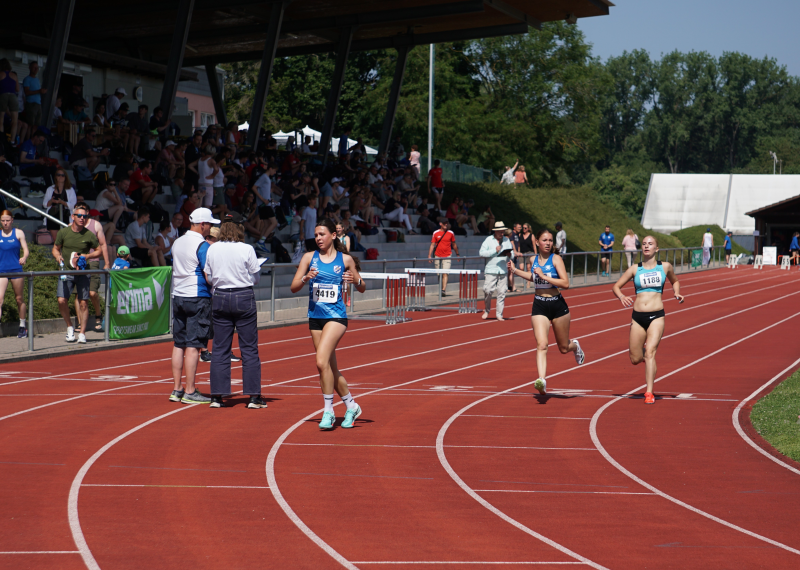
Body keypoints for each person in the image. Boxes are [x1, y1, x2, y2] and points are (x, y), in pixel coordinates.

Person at [290, 218, 366, 429]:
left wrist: (355, 280)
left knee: (321, 362)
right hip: (315, 317)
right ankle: (351, 406)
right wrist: (305, 278)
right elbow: (293, 287)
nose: (318, 238)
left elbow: (362, 287)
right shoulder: (309, 257)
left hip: (336, 317)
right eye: (316, 235)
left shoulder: (345, 259)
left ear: (333, 235)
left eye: (322, 234)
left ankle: (328, 411)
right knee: (329, 367)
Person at [508, 228, 585, 395]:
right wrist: (515, 271)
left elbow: (565, 283)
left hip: (557, 305)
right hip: (540, 305)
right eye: (545, 240)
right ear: (537, 242)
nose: (548, 243)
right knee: (542, 344)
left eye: (550, 240)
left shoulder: (556, 259)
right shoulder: (533, 259)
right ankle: (541, 380)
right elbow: (533, 277)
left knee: (563, 348)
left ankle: (575, 346)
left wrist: (544, 276)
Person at [611, 236, 684, 404]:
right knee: (635, 358)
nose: (646, 246)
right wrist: (621, 296)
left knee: (650, 351)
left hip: (656, 315)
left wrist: (676, 292)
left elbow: (675, 280)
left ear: (656, 249)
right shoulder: (634, 269)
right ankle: (650, 360)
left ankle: (649, 392)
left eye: (650, 244)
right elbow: (616, 286)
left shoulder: (664, 267)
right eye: (644, 244)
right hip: (638, 317)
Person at [204, 221, 265, 409]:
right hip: (243, 295)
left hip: (221, 296)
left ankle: (216, 396)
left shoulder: (213, 249)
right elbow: (256, 278)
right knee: (249, 348)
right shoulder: (246, 248)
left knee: (220, 348)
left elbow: (208, 277)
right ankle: (254, 397)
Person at [169, 208, 218, 405]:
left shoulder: (177, 241)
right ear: (203, 224)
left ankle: (177, 389)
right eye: (210, 224)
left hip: (178, 295)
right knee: (193, 345)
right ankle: (190, 390)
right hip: (197, 296)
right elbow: (209, 275)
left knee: (178, 344)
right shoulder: (202, 245)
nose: (211, 228)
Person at [53, 204, 102, 344]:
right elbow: (55, 249)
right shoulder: (64, 232)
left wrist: (87, 256)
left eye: (85, 216)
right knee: (61, 300)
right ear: (72, 216)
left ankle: (82, 333)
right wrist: (58, 256)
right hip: (66, 272)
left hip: (83, 272)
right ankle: (69, 327)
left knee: (83, 303)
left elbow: (99, 250)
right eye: (79, 216)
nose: (82, 218)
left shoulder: (89, 234)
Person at [74, 206, 111, 333]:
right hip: (77, 263)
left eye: (83, 214)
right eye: (78, 214)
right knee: (78, 294)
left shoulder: (96, 225)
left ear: (87, 213)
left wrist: (107, 263)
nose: (81, 217)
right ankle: (80, 323)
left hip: (93, 261)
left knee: (92, 293)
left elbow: (103, 244)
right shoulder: (71, 227)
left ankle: (98, 315)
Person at [0, 210, 29, 338]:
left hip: (16, 269)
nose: (5, 223)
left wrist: (24, 257)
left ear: (12, 220)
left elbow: (26, 249)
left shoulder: (18, 233)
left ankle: (22, 326)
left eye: (7, 220)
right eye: (3, 221)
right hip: (1, 271)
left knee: (19, 299)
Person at [479, 221, 512, 321]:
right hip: (491, 270)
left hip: (503, 270)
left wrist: (510, 255)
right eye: (500, 232)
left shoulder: (506, 240)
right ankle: (487, 310)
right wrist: (495, 251)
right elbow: (481, 253)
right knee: (487, 290)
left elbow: (512, 254)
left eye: (503, 231)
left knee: (502, 292)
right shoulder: (488, 240)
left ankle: (499, 314)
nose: (502, 233)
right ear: (495, 231)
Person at [43, 167, 77, 242]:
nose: (60, 177)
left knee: (65, 239)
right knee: (56, 240)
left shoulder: (70, 189)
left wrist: (63, 202)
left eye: (63, 175)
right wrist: (51, 201)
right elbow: (45, 204)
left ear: (65, 177)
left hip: (66, 215)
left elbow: (73, 205)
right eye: (58, 175)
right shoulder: (50, 189)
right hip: (53, 215)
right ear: (55, 176)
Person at [428, 220, 459, 296]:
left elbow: (454, 244)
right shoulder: (435, 233)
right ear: (440, 224)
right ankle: (441, 288)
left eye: (447, 223)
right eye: (444, 223)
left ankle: (443, 290)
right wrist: (429, 255)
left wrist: (457, 254)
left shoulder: (451, 233)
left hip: (447, 255)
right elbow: (432, 244)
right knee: (439, 274)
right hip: (437, 255)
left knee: (445, 273)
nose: (446, 225)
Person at [0, 59, 20, 139]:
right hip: (13, 96)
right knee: (15, 121)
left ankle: (1, 139)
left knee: (1, 120)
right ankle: (12, 140)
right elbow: (17, 89)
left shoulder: (0, 74)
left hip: (3, 95)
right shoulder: (14, 75)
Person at [509, 223, 522, 292]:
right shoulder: (512, 234)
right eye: (518, 227)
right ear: (514, 228)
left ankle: (510, 286)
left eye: (520, 227)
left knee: (511, 271)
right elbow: (512, 243)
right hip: (512, 254)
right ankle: (512, 287)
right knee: (511, 271)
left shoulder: (518, 234)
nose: (520, 228)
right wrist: (515, 252)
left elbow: (518, 243)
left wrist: (518, 251)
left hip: (515, 254)